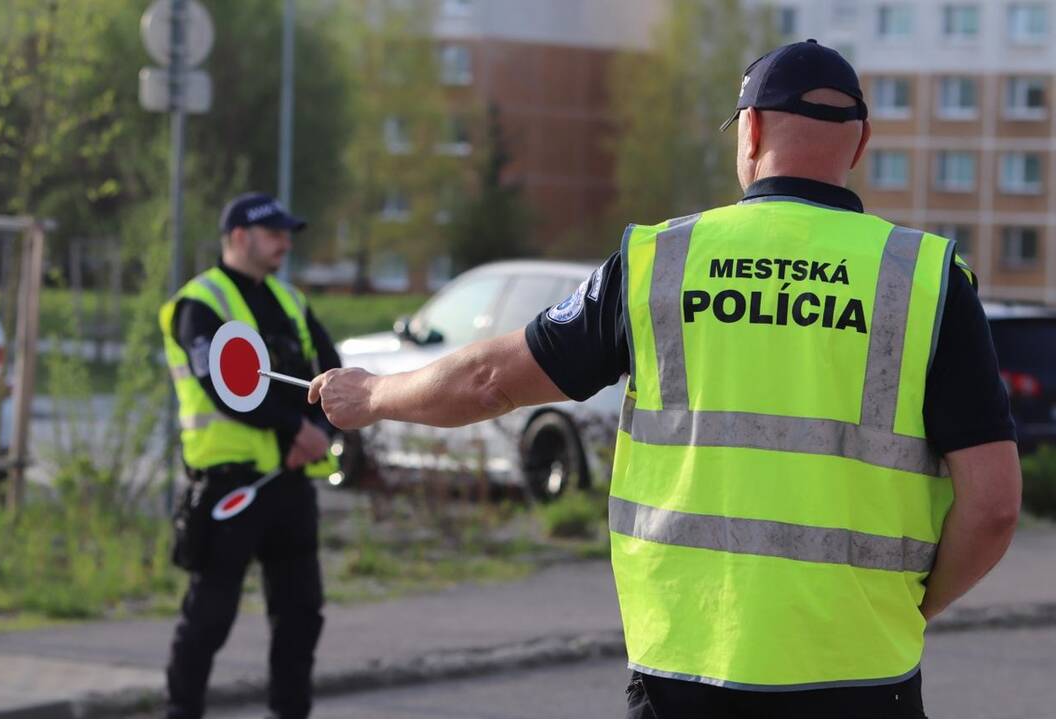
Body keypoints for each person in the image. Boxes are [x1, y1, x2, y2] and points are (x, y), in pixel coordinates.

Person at [308, 40, 1022, 718]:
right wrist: (901, 607)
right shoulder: (925, 281)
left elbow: (491, 380)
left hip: (688, 668)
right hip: (862, 671)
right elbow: (992, 508)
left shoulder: (661, 262)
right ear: (861, 145)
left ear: (749, 133)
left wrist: (373, 396)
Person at [159, 192, 341, 718]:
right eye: (275, 232)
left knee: (301, 614)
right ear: (240, 236)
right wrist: (294, 432)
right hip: (229, 488)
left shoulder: (290, 301)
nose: (286, 242)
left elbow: (333, 373)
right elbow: (222, 385)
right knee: (209, 618)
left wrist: (322, 431)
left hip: (289, 487)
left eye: (288, 233)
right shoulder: (201, 303)